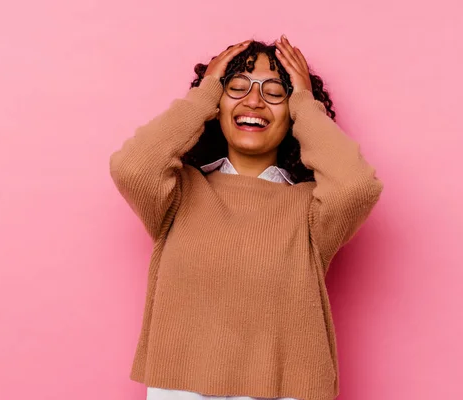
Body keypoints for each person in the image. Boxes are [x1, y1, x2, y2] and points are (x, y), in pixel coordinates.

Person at [110, 35, 383, 400]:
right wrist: (204, 95)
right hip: (182, 389)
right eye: (236, 88)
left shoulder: (311, 210)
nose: (253, 100)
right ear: (216, 108)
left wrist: (305, 103)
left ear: (292, 117)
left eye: (274, 93)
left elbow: (357, 187)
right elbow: (133, 167)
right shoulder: (180, 193)